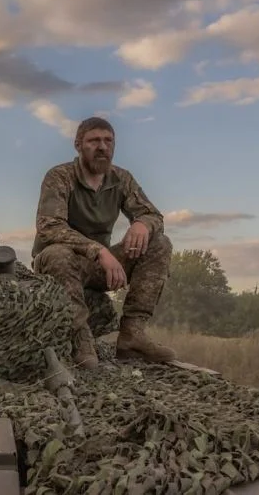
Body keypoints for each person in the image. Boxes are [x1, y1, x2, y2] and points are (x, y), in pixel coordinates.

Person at [31, 116, 176, 369]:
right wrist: (97, 250)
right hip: (56, 266)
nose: (102, 147)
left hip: (97, 267)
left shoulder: (121, 179)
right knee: (58, 254)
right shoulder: (60, 176)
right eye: (94, 141)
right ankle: (81, 341)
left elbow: (153, 215)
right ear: (78, 145)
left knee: (159, 243)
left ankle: (133, 334)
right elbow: (49, 227)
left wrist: (142, 224)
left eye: (108, 141)